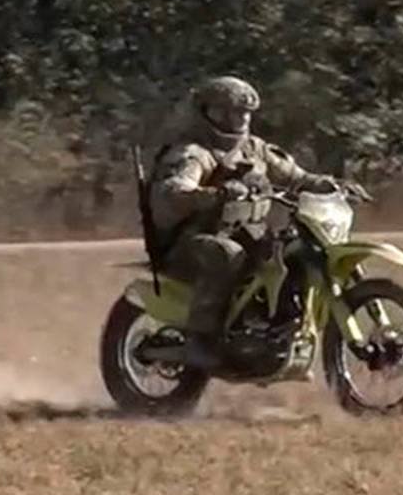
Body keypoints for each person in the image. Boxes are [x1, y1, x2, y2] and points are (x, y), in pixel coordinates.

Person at [151, 75, 362, 371]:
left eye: (244, 113)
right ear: (207, 112)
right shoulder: (193, 153)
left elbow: (296, 177)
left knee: (289, 252)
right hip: (192, 240)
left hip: (247, 232)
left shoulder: (255, 149)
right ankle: (200, 340)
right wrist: (214, 194)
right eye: (229, 113)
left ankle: (271, 326)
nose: (239, 120)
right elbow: (173, 190)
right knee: (227, 255)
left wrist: (331, 184)